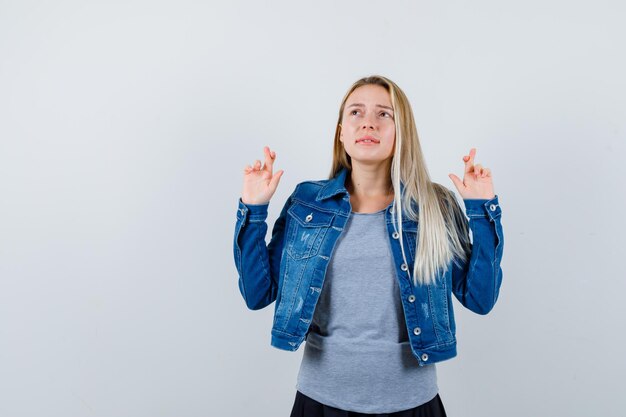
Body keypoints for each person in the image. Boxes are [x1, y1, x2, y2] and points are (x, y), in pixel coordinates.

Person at [233, 75, 504, 417]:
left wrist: (481, 212)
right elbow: (258, 294)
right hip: (319, 402)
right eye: (356, 113)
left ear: (401, 130)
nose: (368, 123)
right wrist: (254, 212)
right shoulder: (307, 203)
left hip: (413, 404)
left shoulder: (434, 205)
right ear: (341, 131)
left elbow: (480, 299)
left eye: (384, 114)